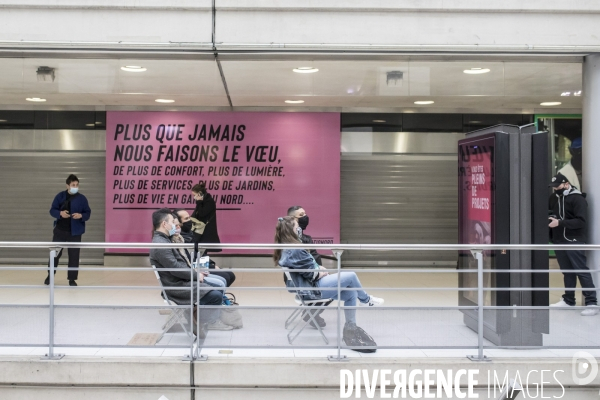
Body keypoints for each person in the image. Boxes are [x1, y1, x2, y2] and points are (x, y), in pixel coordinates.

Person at [274, 216, 383, 352]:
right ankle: (366, 300)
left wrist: (318, 270)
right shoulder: (294, 249)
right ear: (291, 230)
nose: (300, 229)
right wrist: (320, 272)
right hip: (314, 289)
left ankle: (351, 327)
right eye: (297, 226)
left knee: (350, 293)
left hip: (310, 287)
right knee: (351, 276)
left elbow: (307, 269)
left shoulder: (288, 248)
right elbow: (311, 274)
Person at [149, 208, 233, 337]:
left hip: (183, 281)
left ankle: (195, 314)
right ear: (164, 224)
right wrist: (196, 275)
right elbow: (176, 268)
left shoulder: (165, 240)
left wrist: (195, 273)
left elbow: (180, 265)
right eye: (172, 222)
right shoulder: (161, 244)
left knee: (217, 289)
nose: (175, 225)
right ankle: (194, 316)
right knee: (215, 295)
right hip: (177, 286)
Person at [548, 173, 598, 316]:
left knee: (581, 270)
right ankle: (569, 299)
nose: (555, 189)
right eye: (553, 187)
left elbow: (581, 221)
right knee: (567, 271)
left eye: (557, 186)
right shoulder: (553, 198)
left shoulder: (578, 199)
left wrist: (560, 222)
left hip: (574, 240)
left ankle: (592, 302)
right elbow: (552, 212)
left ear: (566, 184)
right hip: (559, 240)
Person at [45, 174, 91, 286]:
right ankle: (50, 276)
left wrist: (81, 216)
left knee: (74, 256)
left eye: (77, 185)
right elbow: (52, 210)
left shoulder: (82, 198)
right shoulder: (60, 196)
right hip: (60, 230)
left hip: (75, 232)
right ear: (67, 185)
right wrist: (60, 213)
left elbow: (88, 213)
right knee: (54, 254)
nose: (75, 187)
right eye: (73, 185)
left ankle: (72, 279)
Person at [174, 208, 235, 287]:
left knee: (231, 275)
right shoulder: (180, 238)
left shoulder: (190, 234)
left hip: (201, 265)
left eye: (189, 217)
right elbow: (190, 259)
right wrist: (210, 267)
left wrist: (212, 264)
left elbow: (200, 253)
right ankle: (214, 296)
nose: (190, 221)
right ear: (179, 223)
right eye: (186, 219)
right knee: (225, 277)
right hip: (196, 268)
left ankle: (218, 296)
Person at [191, 182, 221, 257]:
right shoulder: (202, 201)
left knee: (202, 250)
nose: (194, 197)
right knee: (198, 250)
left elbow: (202, 213)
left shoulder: (209, 201)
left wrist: (199, 202)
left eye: (194, 195)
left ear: (200, 194)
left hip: (205, 230)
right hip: (200, 230)